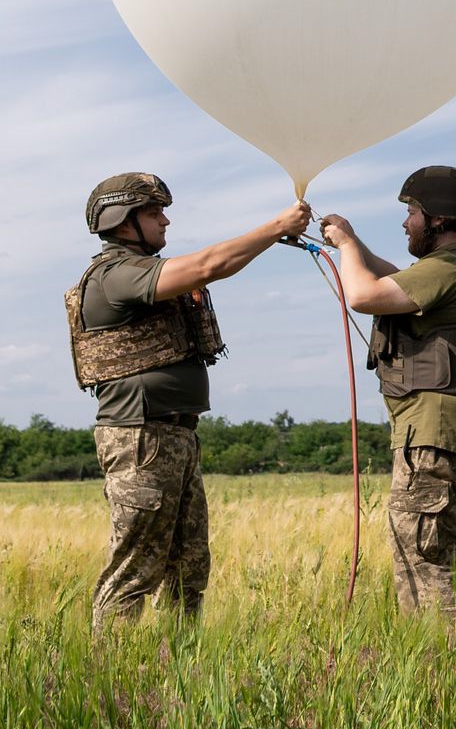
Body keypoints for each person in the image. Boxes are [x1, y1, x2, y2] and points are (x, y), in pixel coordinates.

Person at [67, 172, 310, 632]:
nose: (166, 221)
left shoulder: (138, 271)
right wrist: (276, 227)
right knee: (136, 568)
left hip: (173, 435)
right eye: (155, 213)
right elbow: (208, 266)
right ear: (122, 220)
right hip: (141, 437)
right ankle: (114, 676)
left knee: (187, 566)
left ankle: (176, 668)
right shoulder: (115, 276)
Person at [319, 166, 456, 619]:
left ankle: (436, 668)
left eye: (413, 212)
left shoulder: (448, 270)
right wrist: (351, 241)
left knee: (423, 563)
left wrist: (345, 245)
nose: (406, 223)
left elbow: (364, 296)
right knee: (447, 561)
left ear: (437, 220)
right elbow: (395, 279)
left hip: (432, 440)